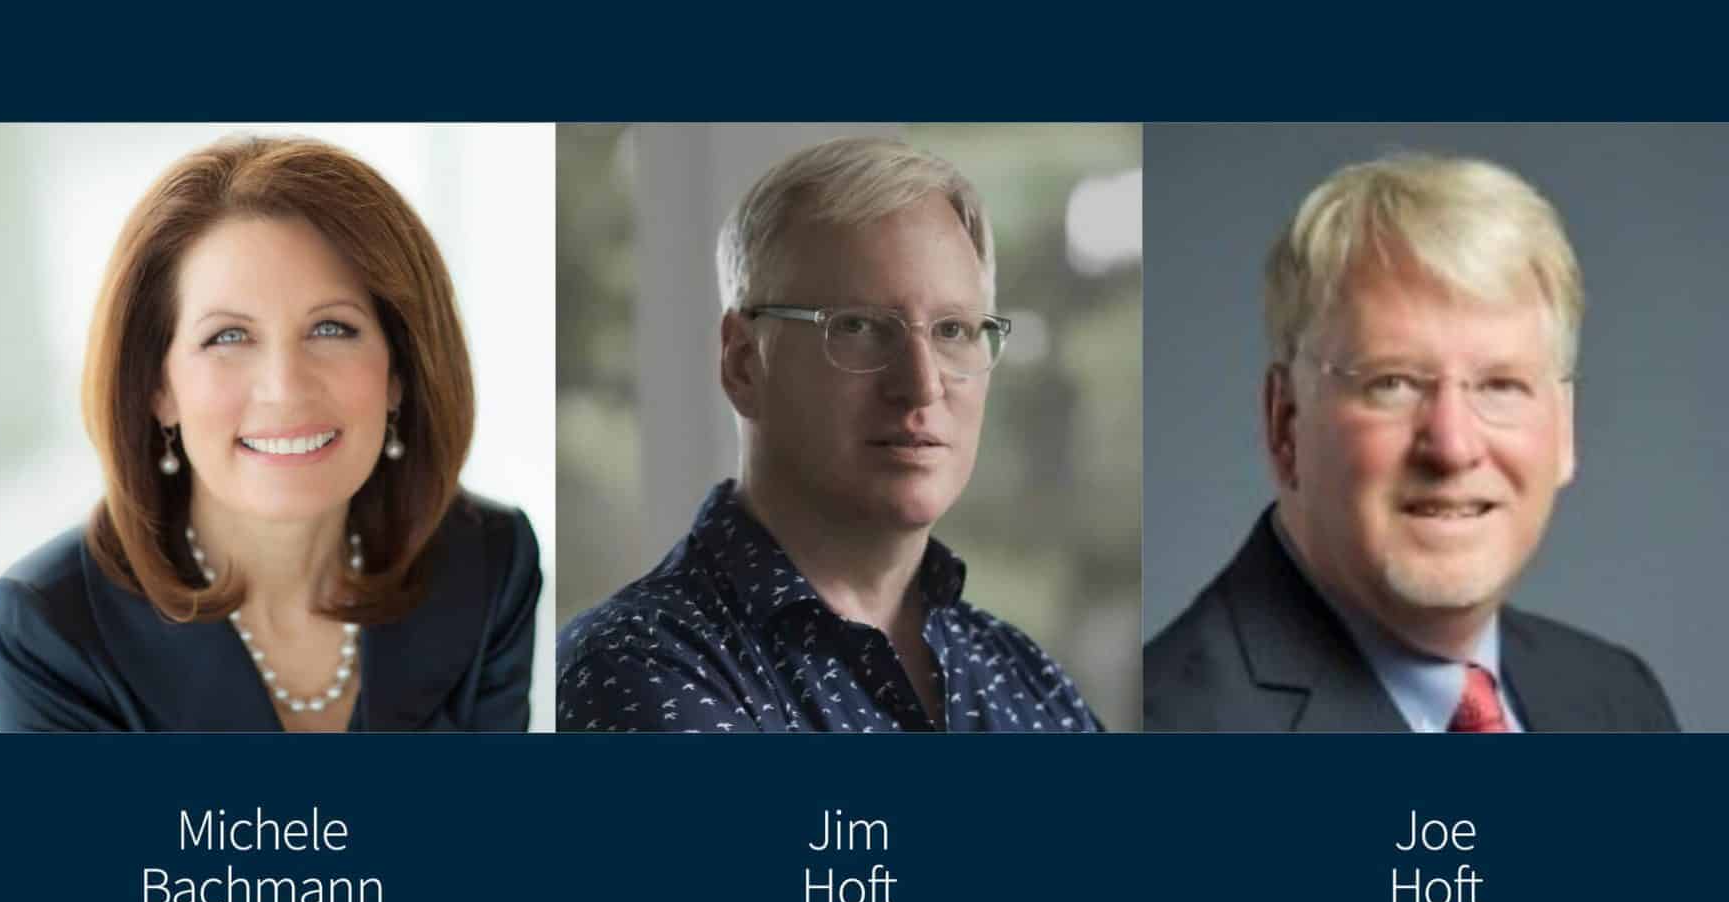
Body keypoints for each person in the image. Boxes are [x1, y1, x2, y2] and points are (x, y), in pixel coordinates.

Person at [0, 136, 540, 731]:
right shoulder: (48, 629)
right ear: (157, 389)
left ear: (399, 370)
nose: (285, 387)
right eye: (227, 337)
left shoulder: (489, 564)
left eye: (331, 328)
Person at [557, 136, 1098, 732]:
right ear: (742, 362)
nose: (921, 385)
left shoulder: (1029, 680)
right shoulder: (636, 670)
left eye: (952, 329)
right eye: (860, 326)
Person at [1144, 152, 1677, 732]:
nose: (1452, 445)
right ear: (1286, 423)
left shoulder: (1619, 702)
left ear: (1564, 429)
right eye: (1391, 383)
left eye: (1501, 385)